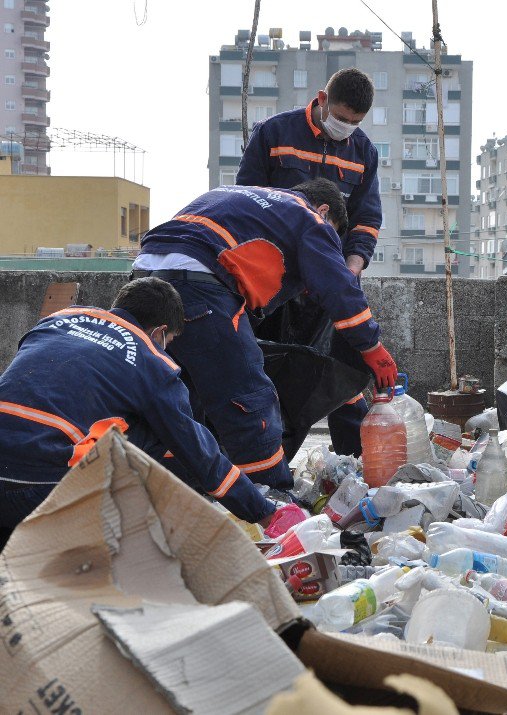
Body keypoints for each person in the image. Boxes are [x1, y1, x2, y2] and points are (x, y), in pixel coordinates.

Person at [132, 178, 397, 491]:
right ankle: (270, 503)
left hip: (143, 278)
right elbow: (338, 287)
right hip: (199, 284)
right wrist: (371, 347)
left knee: (174, 396)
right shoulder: (309, 217)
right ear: (324, 210)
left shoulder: (231, 194)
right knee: (249, 400)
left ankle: (164, 491)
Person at [0, 278, 275, 540]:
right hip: (43, 492)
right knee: (164, 437)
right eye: (169, 342)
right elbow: (202, 456)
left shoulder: (57, 321)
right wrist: (264, 513)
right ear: (158, 332)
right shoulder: (150, 359)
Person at [236, 67, 382, 456]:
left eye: (355, 123)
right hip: (274, 280)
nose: (345, 128)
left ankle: (353, 462)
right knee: (269, 368)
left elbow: (367, 218)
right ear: (321, 100)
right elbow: (247, 200)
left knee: (342, 373)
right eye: (341, 118)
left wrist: (350, 270)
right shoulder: (275, 134)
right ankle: (266, 458)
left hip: (331, 277)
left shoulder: (363, 151)